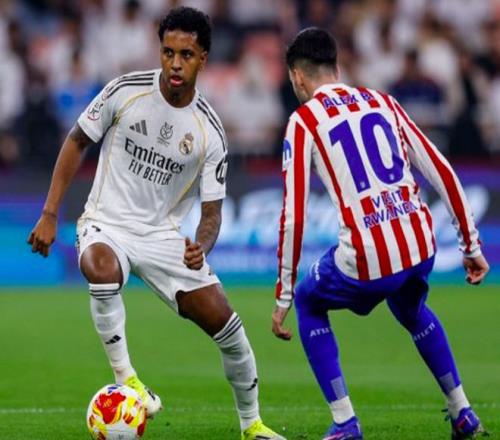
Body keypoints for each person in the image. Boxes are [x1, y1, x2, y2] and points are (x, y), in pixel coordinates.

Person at [28, 7, 285, 440]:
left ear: (203, 58)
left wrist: (201, 246)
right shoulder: (124, 91)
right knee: (101, 269)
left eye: (186, 55)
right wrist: (50, 213)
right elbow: (75, 142)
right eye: (168, 53)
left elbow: (212, 213)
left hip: (163, 237)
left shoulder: (209, 131)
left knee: (229, 329)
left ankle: (252, 424)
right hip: (106, 222)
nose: (175, 64)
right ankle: (128, 380)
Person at [272, 28, 489, 440]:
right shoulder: (382, 101)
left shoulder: (303, 121)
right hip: (420, 244)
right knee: (410, 308)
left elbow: (294, 216)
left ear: (297, 77)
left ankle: (344, 421)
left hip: (369, 258)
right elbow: (441, 170)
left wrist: (282, 293)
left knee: (308, 300)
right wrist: (470, 245)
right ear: (336, 68)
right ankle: (462, 410)